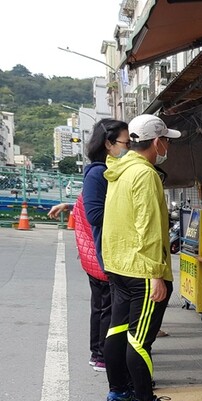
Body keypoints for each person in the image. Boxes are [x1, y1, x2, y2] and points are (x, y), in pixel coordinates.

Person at [101, 114, 183, 401]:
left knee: (118, 329)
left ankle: (118, 392)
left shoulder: (119, 170)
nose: (167, 146)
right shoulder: (145, 175)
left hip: (118, 265)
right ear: (158, 142)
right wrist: (155, 274)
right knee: (140, 339)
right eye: (167, 141)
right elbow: (147, 228)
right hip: (141, 269)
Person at [48, 118, 130, 372]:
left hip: (98, 251)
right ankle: (101, 354)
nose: (128, 147)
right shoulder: (98, 172)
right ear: (108, 143)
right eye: (126, 142)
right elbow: (95, 213)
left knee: (102, 305)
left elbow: (86, 204)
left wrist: (68, 205)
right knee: (106, 307)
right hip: (101, 253)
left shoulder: (102, 170)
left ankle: (99, 353)